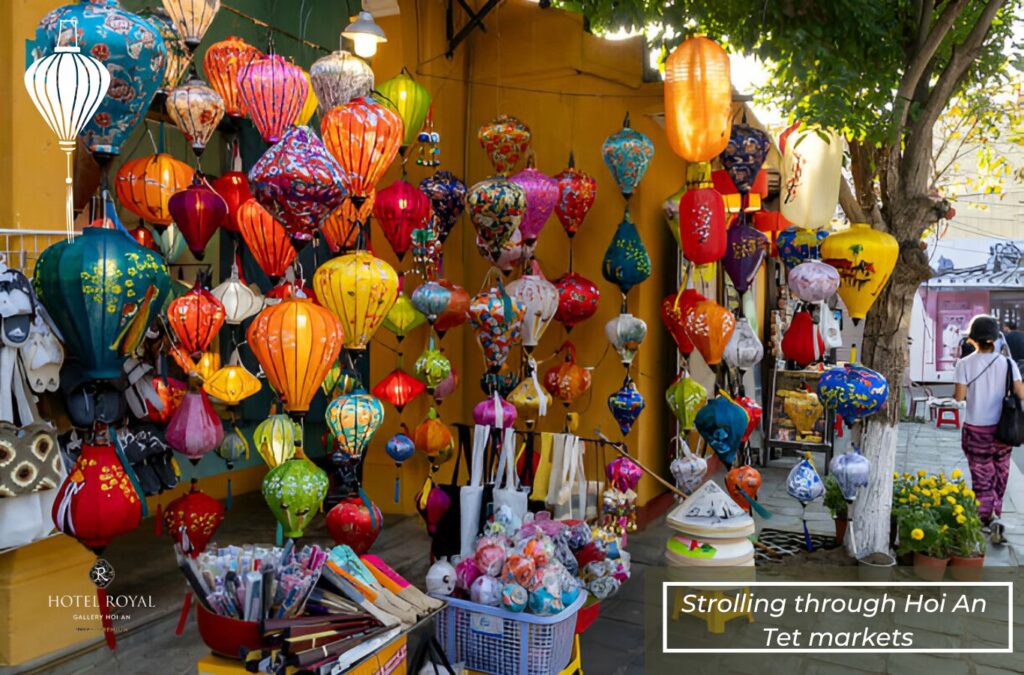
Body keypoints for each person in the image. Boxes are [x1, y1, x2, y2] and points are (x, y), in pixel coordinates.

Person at [954, 315, 1024, 544]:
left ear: (972, 339)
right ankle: (996, 517)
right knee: (1000, 475)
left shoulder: (964, 364)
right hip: (1003, 430)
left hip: (976, 429)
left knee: (982, 477)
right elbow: (1021, 394)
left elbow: (960, 397)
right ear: (996, 339)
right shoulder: (1008, 363)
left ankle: (985, 520)